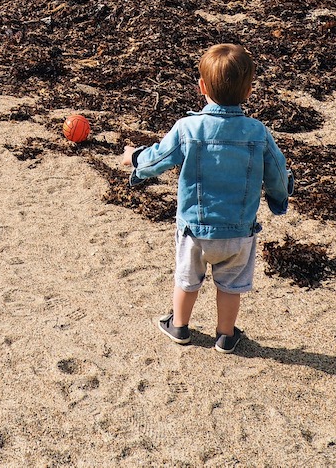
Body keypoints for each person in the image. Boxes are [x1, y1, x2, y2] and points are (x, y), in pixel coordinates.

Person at [122, 43, 293, 353]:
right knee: (230, 286)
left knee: (187, 279)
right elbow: (278, 175)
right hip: (239, 232)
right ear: (249, 91)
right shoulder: (258, 132)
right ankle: (226, 335)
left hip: (194, 230)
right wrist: (279, 200)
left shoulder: (189, 128)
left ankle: (180, 326)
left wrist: (135, 160)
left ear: (201, 86)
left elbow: (159, 158)